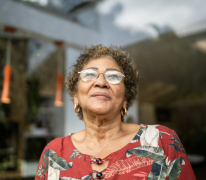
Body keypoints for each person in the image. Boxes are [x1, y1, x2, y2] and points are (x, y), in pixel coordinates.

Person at [35, 45, 196, 180]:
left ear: (126, 98)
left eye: (113, 76)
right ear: (75, 96)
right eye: (89, 74)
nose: (101, 82)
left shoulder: (161, 140)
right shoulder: (54, 152)